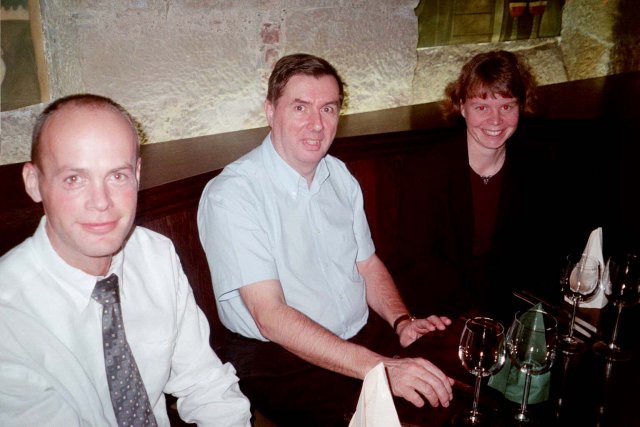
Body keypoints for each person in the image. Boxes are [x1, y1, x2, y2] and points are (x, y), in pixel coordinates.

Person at [197, 53, 454, 426]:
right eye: (300, 107)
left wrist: (402, 322)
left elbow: (367, 264)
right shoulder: (233, 194)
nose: (316, 124)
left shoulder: (339, 175)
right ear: (270, 111)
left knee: (449, 389)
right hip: (280, 358)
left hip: (361, 337)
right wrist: (381, 368)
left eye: (328, 109)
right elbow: (270, 317)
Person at [0, 94, 251, 426]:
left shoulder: (155, 255)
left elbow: (205, 383)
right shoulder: (9, 315)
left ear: (137, 174)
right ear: (34, 183)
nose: (101, 202)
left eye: (117, 176)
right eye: (74, 179)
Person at [397, 50, 561, 324]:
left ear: (521, 106)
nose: (496, 121)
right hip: (439, 311)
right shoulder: (424, 168)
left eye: (507, 106)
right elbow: (419, 260)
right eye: (481, 107)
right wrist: (473, 315)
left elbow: (540, 254)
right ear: (462, 107)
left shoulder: (537, 167)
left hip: (509, 309)